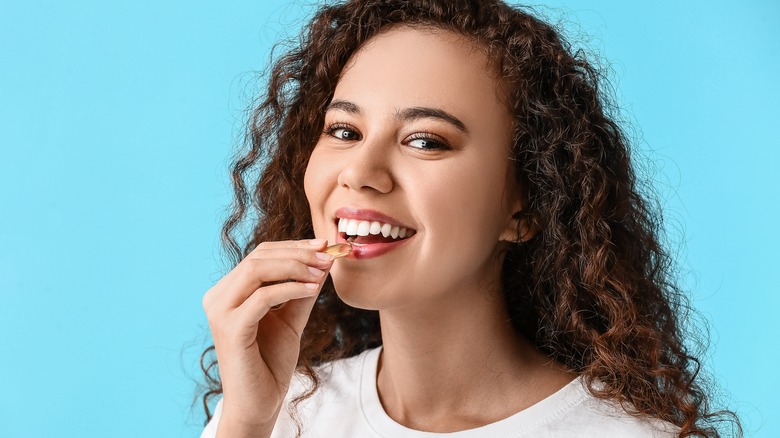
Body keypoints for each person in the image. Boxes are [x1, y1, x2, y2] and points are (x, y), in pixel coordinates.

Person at [198, 0, 741, 436]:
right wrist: (245, 424)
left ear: (525, 206)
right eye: (344, 131)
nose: (361, 173)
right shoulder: (276, 413)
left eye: (426, 141)